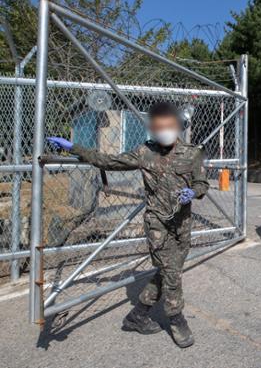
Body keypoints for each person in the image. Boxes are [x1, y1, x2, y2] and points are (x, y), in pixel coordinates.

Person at [47, 102, 209, 348]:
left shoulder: (192, 152)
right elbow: (108, 160)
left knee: (168, 270)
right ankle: (176, 319)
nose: (164, 130)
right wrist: (74, 148)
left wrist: (193, 192)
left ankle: (137, 315)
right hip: (157, 222)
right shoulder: (144, 152)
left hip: (182, 224)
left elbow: (202, 183)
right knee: (173, 274)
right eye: (159, 127)